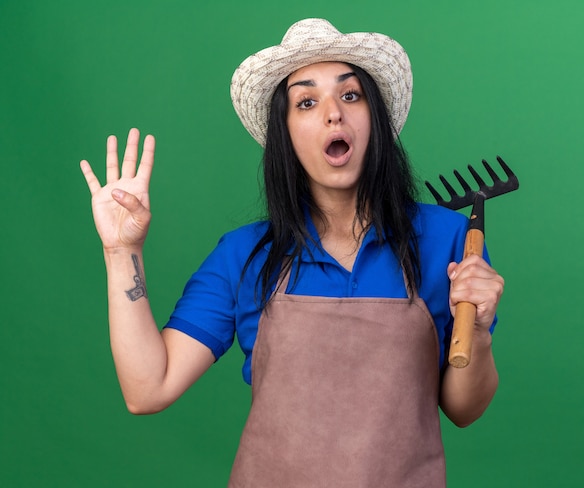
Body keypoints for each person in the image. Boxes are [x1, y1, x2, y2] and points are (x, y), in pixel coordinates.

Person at [80, 18, 503, 487]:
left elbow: (465, 409)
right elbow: (147, 388)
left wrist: (479, 331)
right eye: (306, 101)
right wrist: (122, 250)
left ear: (374, 119)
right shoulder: (246, 255)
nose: (333, 114)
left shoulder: (445, 239)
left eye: (350, 95)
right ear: (285, 135)